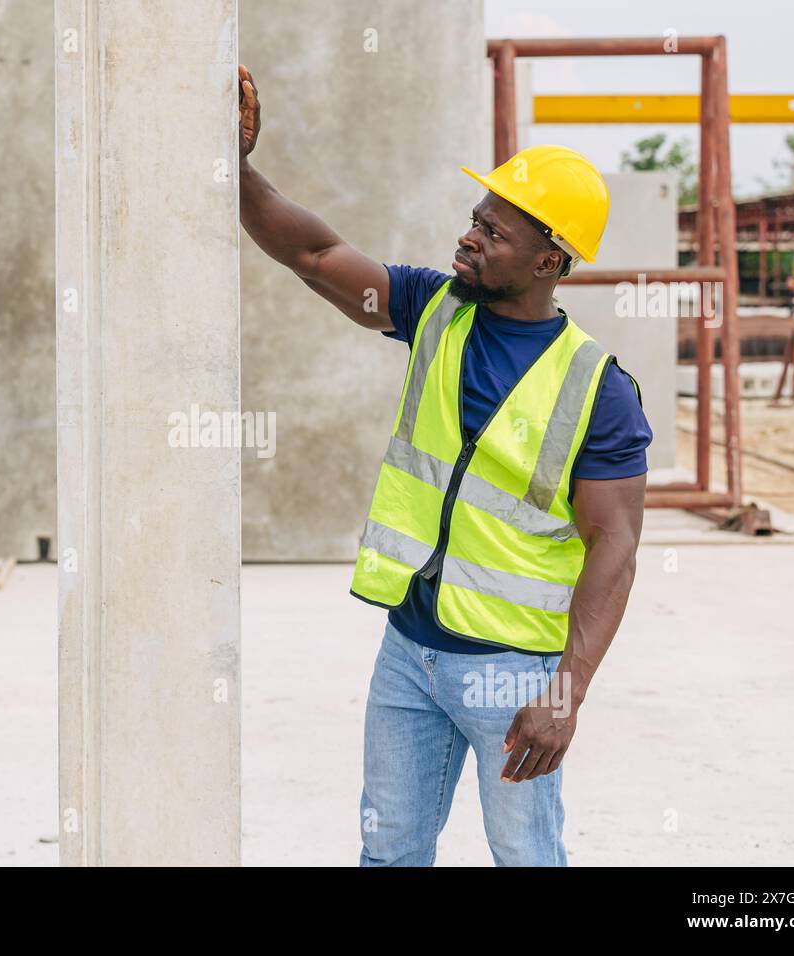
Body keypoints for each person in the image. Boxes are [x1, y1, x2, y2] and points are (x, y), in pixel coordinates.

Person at [237, 64, 651, 867]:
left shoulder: (598, 389)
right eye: (475, 219)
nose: (469, 236)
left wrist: (563, 693)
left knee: (524, 855)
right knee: (389, 851)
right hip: (408, 651)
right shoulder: (435, 309)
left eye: (494, 233)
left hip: (510, 673)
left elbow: (617, 545)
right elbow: (318, 257)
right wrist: (236, 168)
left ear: (547, 263)